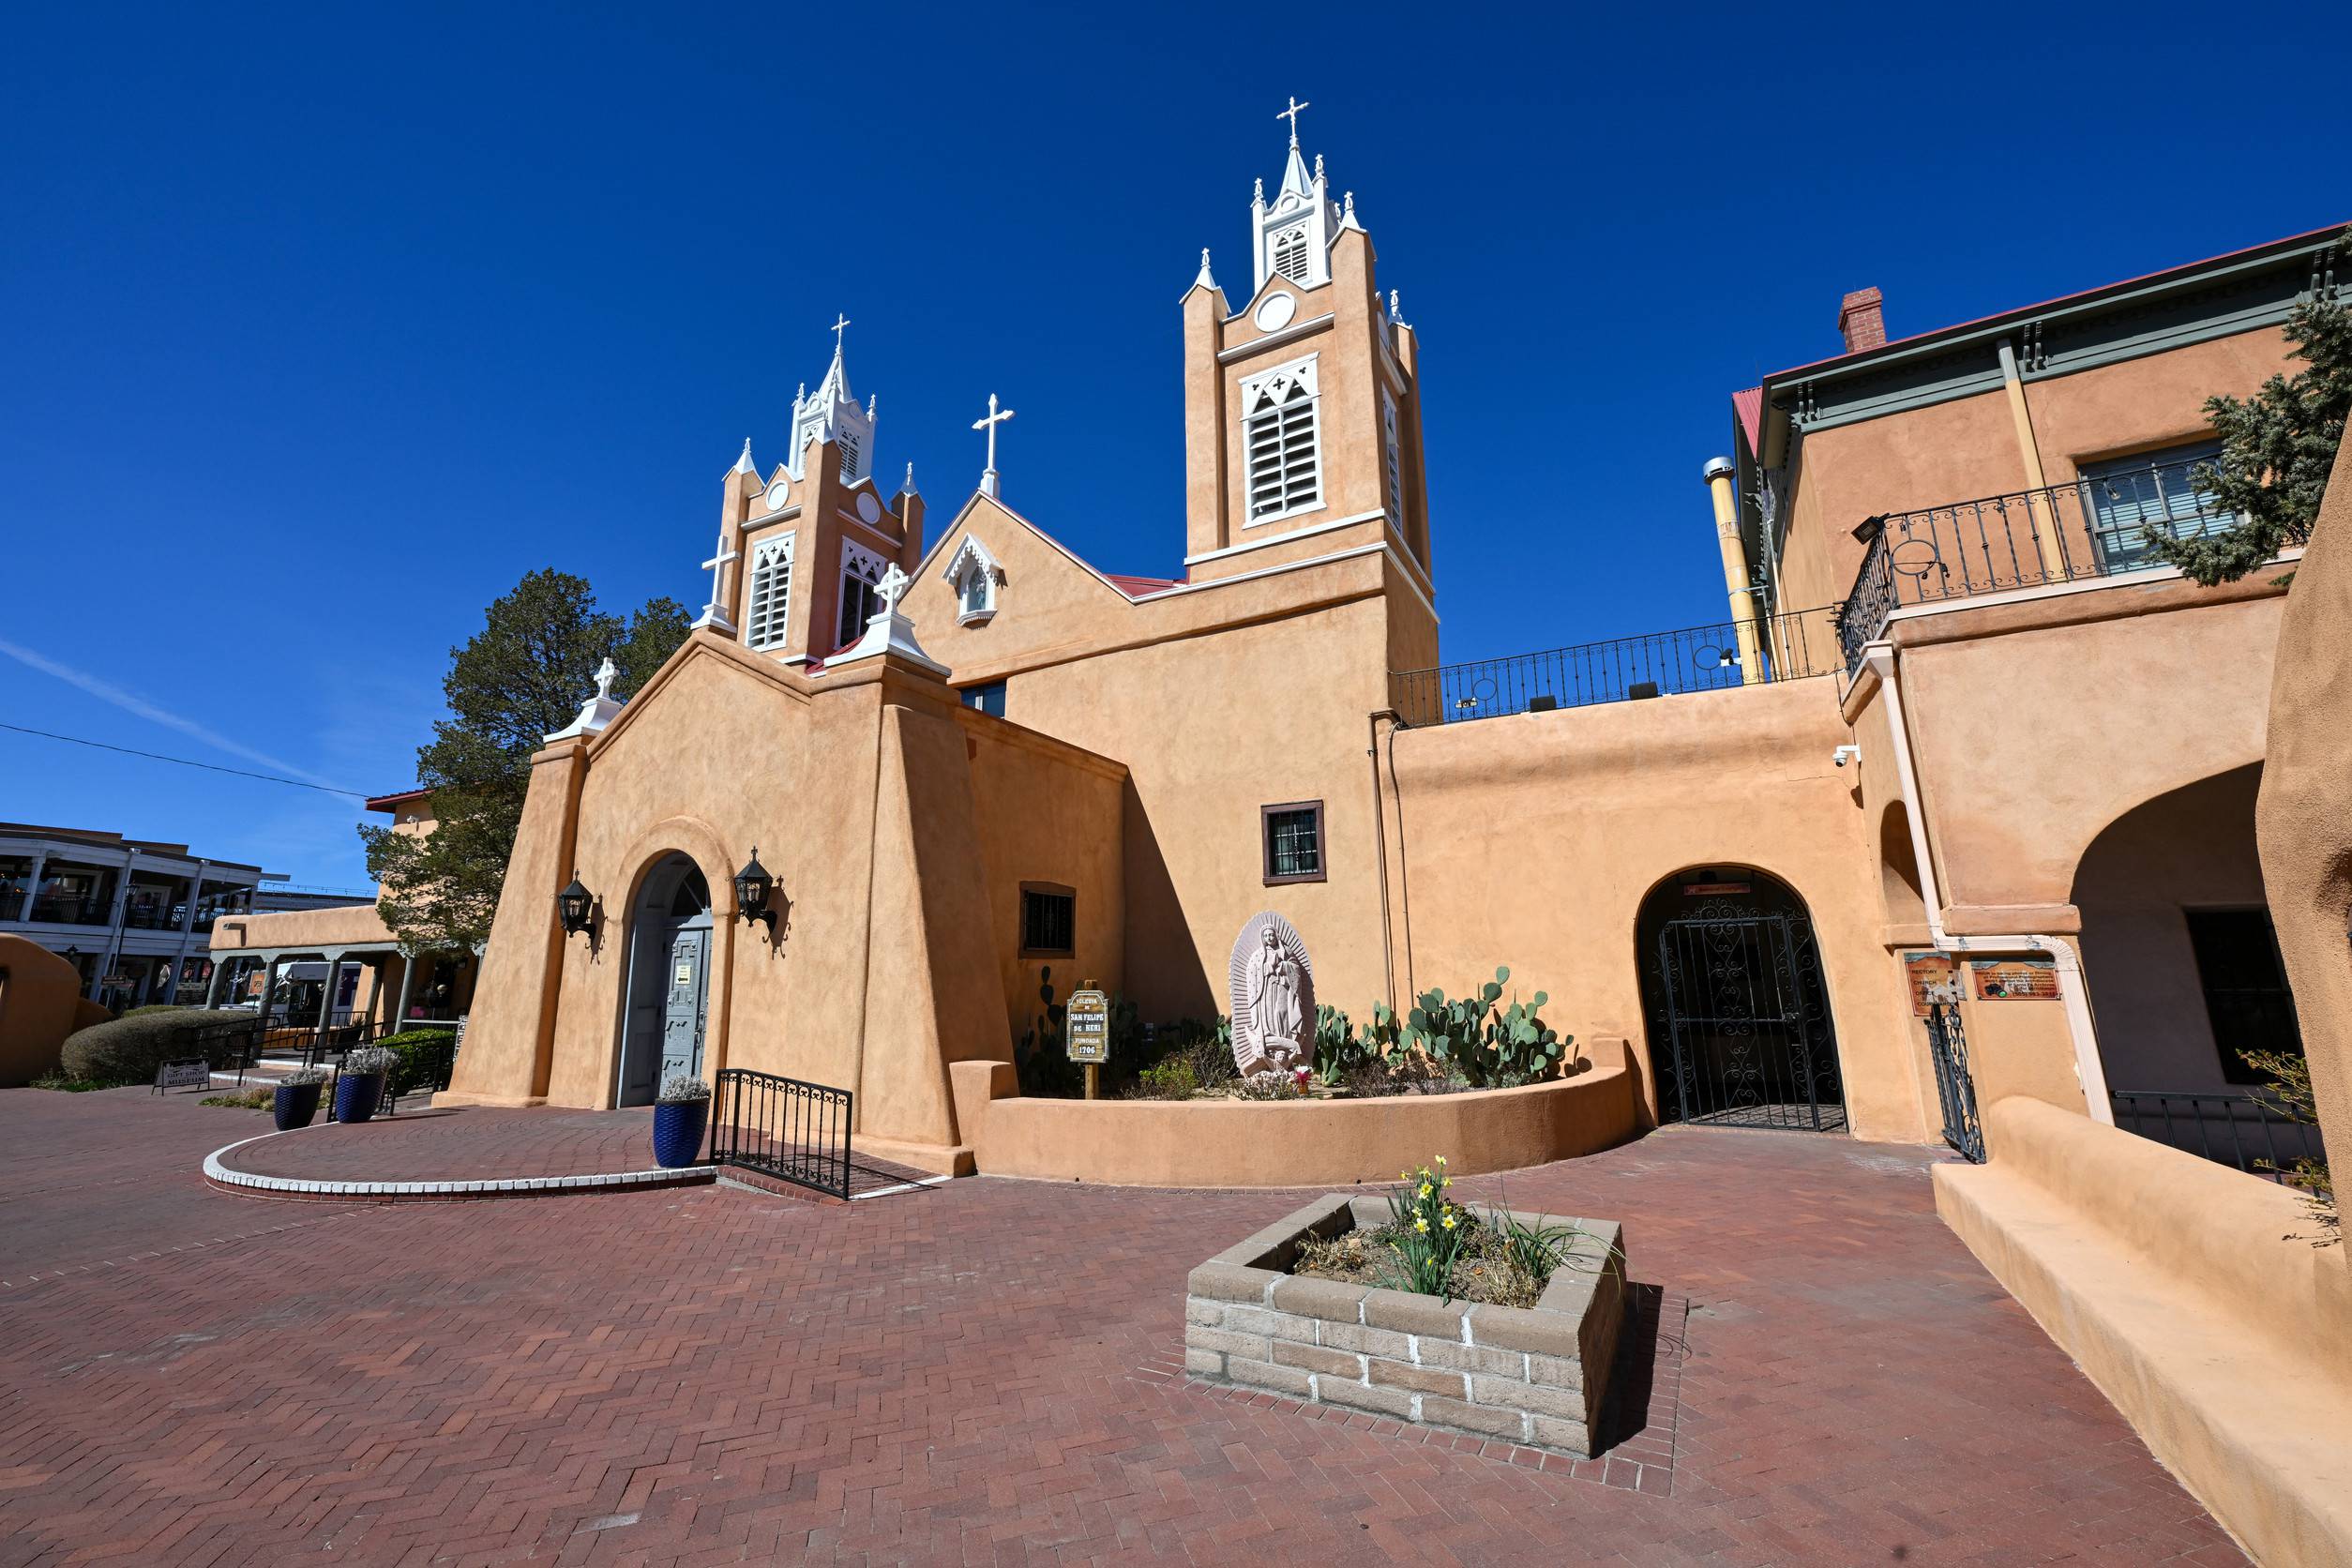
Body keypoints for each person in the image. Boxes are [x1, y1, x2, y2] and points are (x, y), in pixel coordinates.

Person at [1244, 926, 1304, 1067]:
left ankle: (1284, 1040)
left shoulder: (1286, 951)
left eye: (1271, 935)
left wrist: (1281, 965)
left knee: (1281, 1011)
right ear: (1263, 938)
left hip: (1282, 987)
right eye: (1266, 936)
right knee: (1268, 1014)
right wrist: (1267, 967)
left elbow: (1295, 969)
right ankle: (1269, 1040)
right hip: (1266, 990)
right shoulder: (1259, 954)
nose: (1269, 938)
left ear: (1276, 935)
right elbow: (1252, 971)